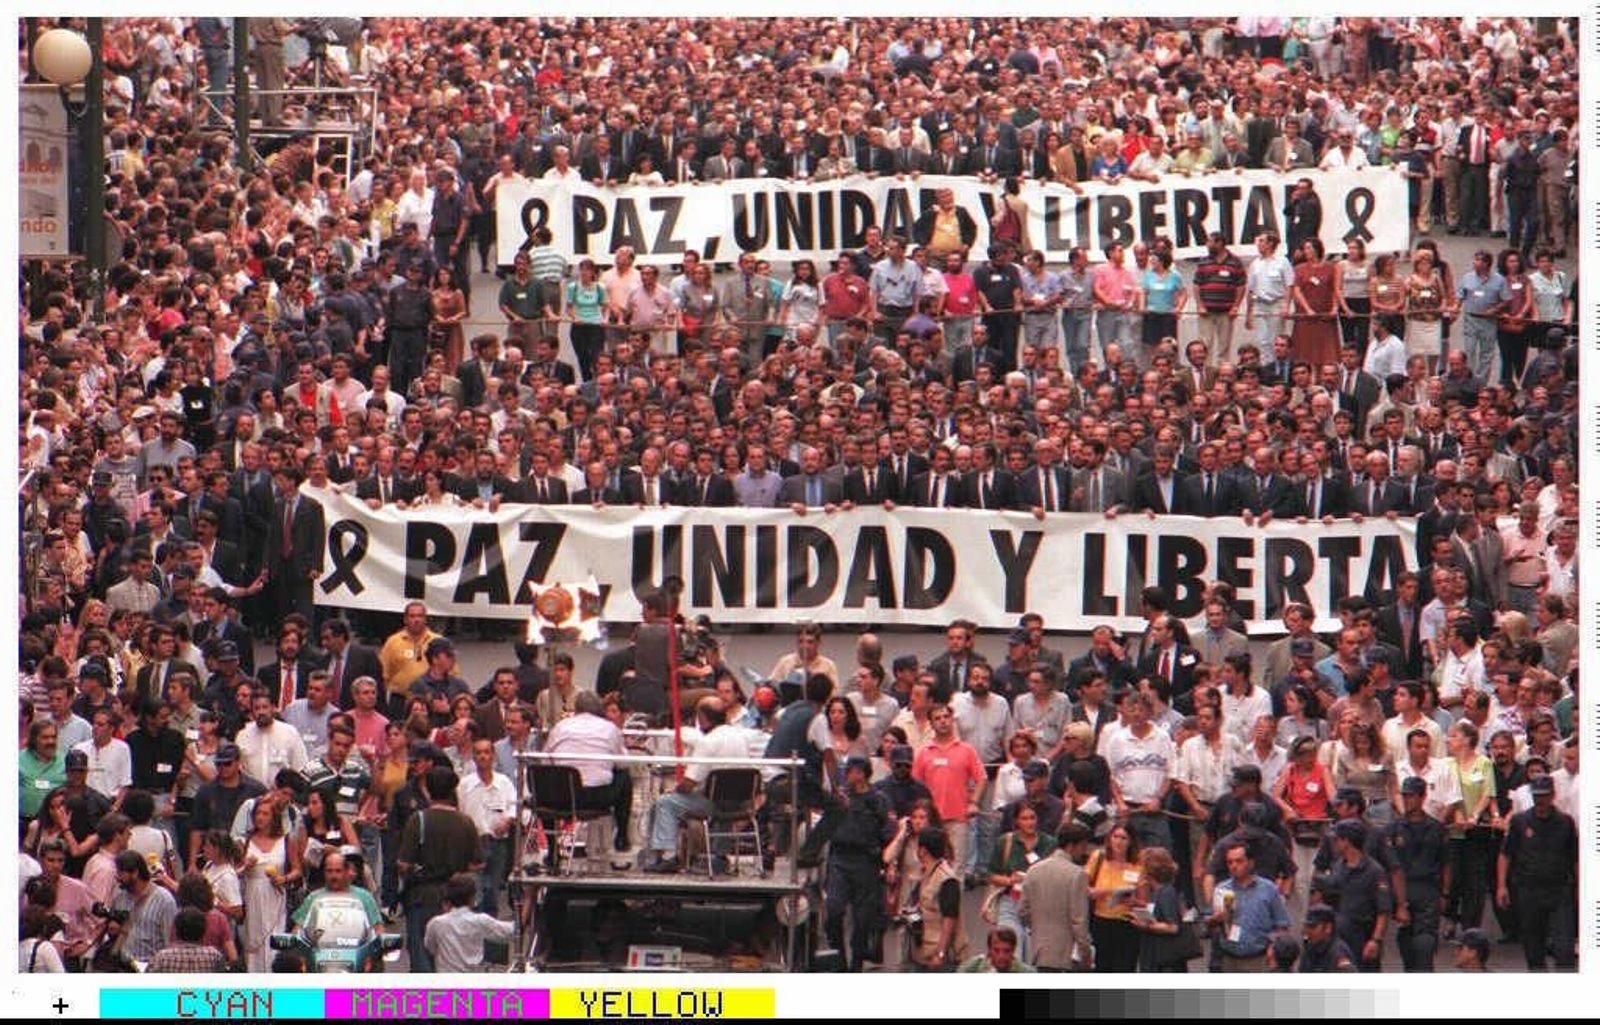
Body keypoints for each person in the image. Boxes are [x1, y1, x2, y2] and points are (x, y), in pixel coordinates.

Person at [395, 766, 486, 972]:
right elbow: (478, 863)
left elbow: (404, 863)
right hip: (457, 898)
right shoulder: (466, 822)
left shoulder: (418, 820)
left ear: (428, 790)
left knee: (422, 957)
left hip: (423, 897)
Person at [1496, 775, 1578, 970]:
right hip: (1529, 890)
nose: (1540, 800)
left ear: (1553, 795)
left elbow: (1575, 859)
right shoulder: (1520, 821)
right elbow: (1505, 855)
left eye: (1544, 795)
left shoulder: (1565, 823)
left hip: (1559, 890)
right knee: (1533, 948)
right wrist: (1501, 886)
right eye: (1536, 796)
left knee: (1564, 948)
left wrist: (1580, 889)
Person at [824, 755, 895, 972]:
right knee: (834, 910)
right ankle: (839, 959)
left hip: (866, 861)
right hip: (840, 860)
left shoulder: (878, 800)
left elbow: (889, 832)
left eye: (852, 771)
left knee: (863, 918)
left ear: (863, 773)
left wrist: (888, 863)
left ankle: (856, 963)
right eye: (847, 772)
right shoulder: (839, 798)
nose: (848, 776)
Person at [1208, 841, 1291, 972]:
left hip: (1258, 958)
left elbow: (1282, 924)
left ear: (1251, 862)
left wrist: (1273, 947)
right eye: (1230, 862)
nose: (1234, 866)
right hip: (1229, 959)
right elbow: (1210, 925)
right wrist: (1215, 920)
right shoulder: (1221, 889)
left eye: (1239, 861)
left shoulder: (1268, 889)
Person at [423, 872, 515, 973]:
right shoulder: (480, 920)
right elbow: (511, 932)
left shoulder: (435, 923)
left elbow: (430, 947)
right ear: (472, 898)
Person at [908, 827, 965, 972]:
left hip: (940, 955)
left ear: (922, 850)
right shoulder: (925, 873)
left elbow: (949, 918)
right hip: (923, 951)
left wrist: (940, 953)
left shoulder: (947, 879)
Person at [958, 927, 1036, 973]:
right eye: (996, 950)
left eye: (1006, 951)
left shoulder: (1027, 973)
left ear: (1013, 950)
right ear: (989, 949)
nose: (1001, 956)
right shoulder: (971, 968)